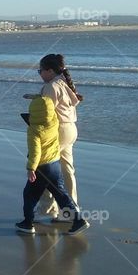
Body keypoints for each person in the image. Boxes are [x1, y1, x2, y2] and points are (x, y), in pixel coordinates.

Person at [16, 95, 89, 235]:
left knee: (29, 195)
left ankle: (27, 223)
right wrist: (36, 97)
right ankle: (78, 220)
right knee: (61, 195)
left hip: (41, 168)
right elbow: (47, 103)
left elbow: (35, 152)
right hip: (55, 165)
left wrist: (31, 168)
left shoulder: (33, 130)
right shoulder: (54, 122)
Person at [25, 54, 83, 221]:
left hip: (58, 130)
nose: (40, 74)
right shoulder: (64, 83)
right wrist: (35, 96)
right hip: (71, 129)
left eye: (40, 71)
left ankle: (49, 209)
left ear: (49, 70)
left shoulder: (51, 86)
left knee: (46, 170)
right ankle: (71, 210)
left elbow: (46, 112)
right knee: (66, 170)